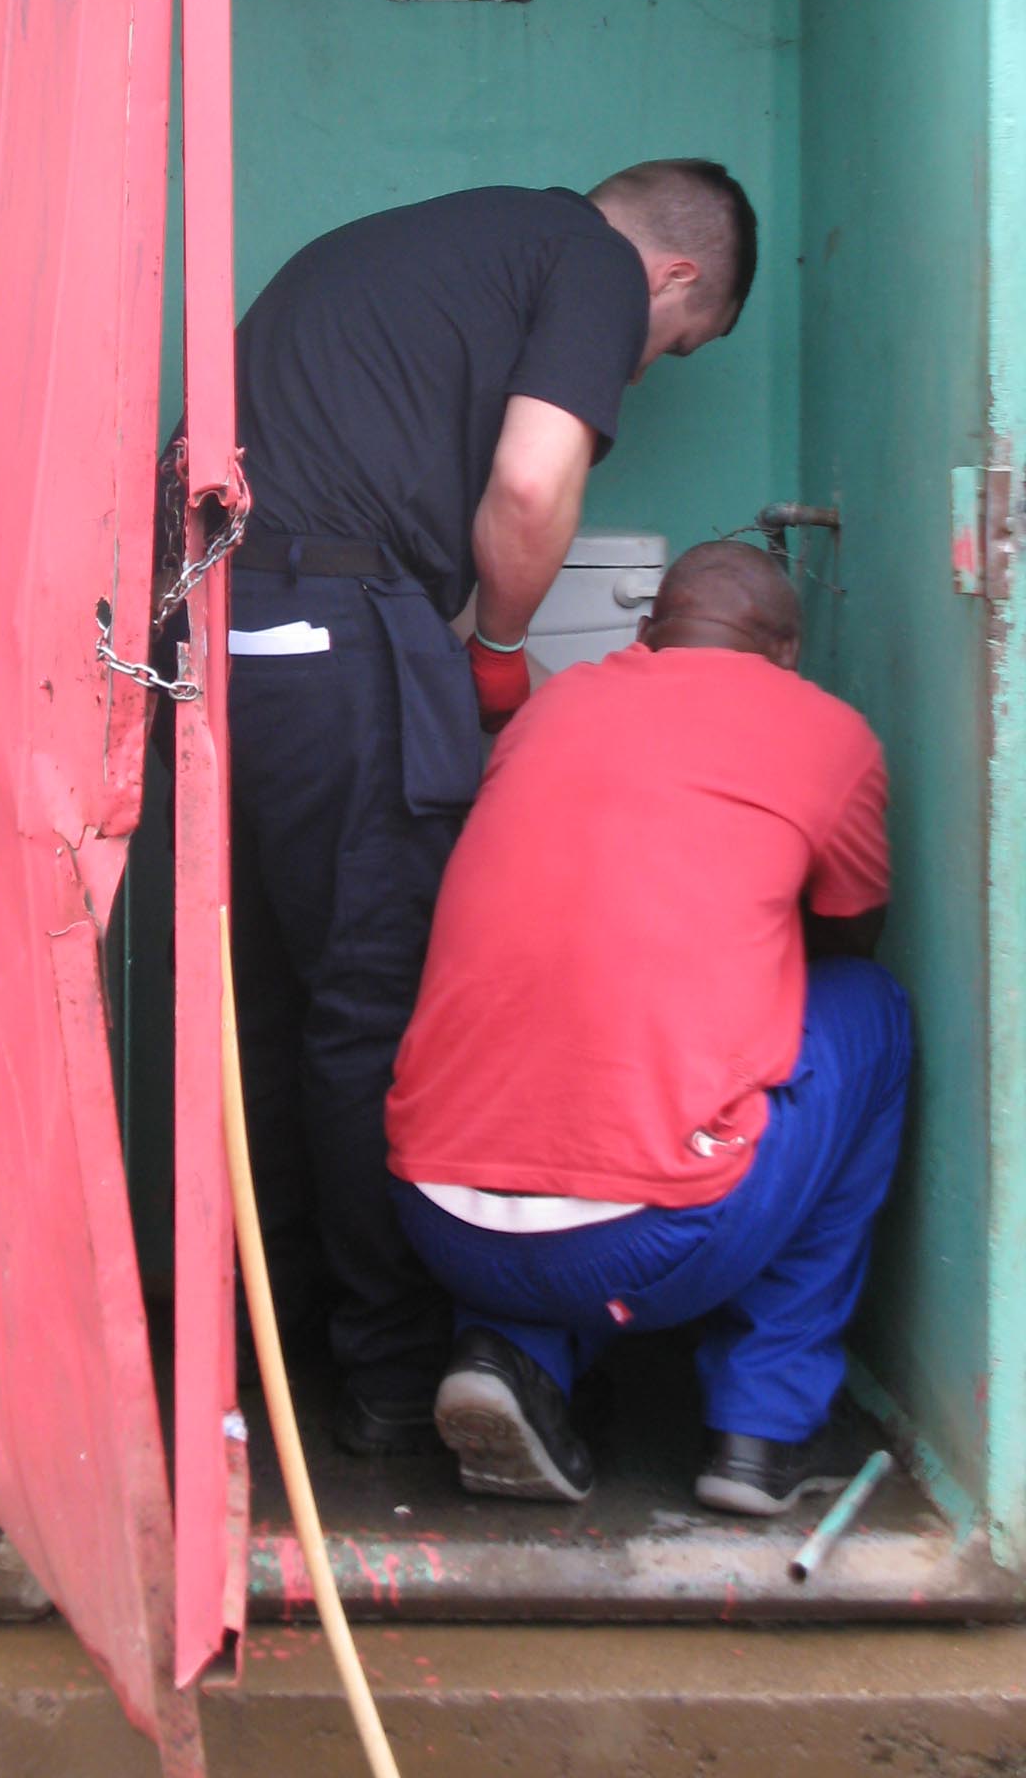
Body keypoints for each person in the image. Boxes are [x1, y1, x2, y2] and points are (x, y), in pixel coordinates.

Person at [226, 161, 756, 1456]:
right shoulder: (586, 256)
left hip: (232, 632)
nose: (637, 371)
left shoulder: (420, 245)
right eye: (666, 351)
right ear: (671, 277)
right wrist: (500, 648)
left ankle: (273, 1354)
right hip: (343, 636)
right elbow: (531, 486)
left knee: (279, 1011)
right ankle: (396, 1377)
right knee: (370, 1016)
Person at [386, 541, 904, 1517]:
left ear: (643, 632)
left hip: (437, 1217)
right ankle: (764, 1423)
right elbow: (848, 936)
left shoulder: (555, 707)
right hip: (655, 1242)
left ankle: (512, 1352)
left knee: (545, 1048)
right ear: (788, 650)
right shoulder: (829, 732)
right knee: (870, 1017)